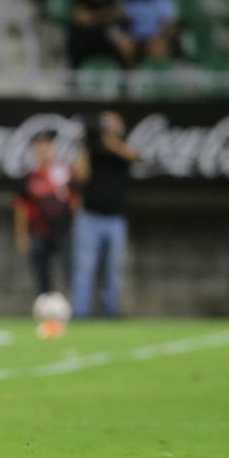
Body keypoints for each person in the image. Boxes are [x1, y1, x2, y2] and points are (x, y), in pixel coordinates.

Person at [70, 112, 138, 320]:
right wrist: (85, 146)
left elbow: (134, 156)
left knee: (114, 269)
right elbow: (81, 175)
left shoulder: (122, 147)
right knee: (85, 268)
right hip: (90, 217)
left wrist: (110, 140)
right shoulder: (92, 149)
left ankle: (112, 312)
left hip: (115, 218)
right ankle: (81, 313)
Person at [13, 131, 73, 299]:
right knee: (41, 273)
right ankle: (44, 305)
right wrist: (21, 234)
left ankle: (73, 308)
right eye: (39, 146)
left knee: (69, 272)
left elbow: (76, 201)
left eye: (47, 145)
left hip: (63, 230)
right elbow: (21, 207)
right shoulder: (30, 176)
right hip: (38, 230)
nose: (43, 149)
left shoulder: (64, 171)